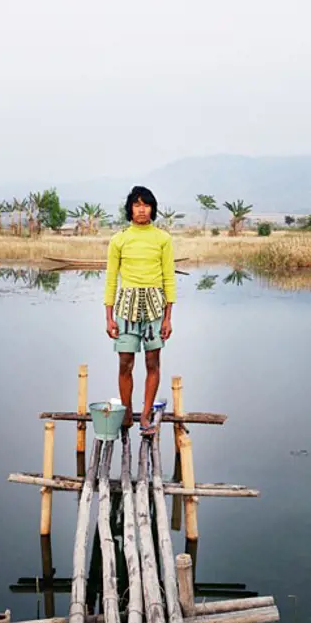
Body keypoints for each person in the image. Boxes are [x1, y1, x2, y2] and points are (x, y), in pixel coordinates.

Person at [104, 186, 176, 436]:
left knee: (152, 362)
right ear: (130, 209)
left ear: (152, 208)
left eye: (146, 205)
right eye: (137, 205)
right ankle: (126, 413)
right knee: (125, 362)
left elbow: (169, 279)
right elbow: (111, 280)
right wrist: (109, 317)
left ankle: (145, 415)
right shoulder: (119, 239)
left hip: (155, 308)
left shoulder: (163, 239)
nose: (141, 209)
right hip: (126, 309)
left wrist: (168, 318)